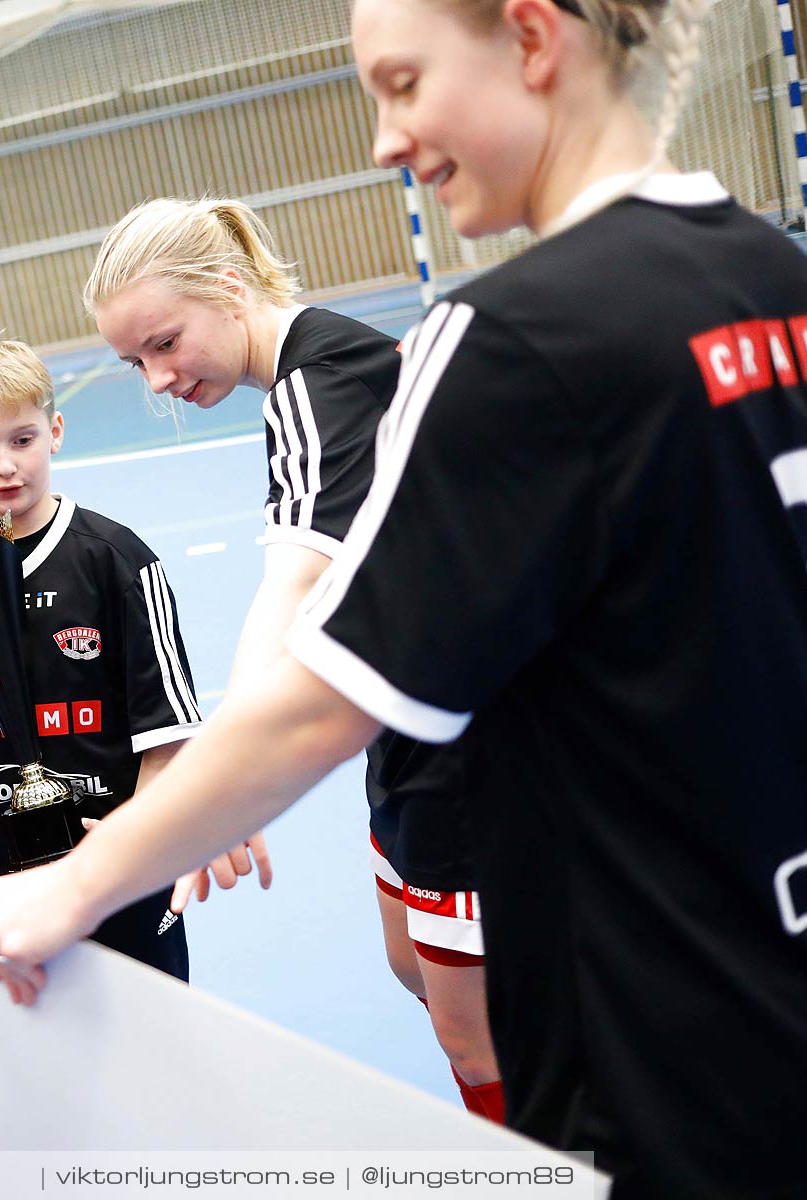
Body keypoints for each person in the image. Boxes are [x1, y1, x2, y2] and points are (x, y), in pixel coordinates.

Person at [0, 0, 807, 1195]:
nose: (384, 140)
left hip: (658, 1053)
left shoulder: (512, 336)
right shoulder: (802, 298)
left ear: (530, 37)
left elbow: (316, 701)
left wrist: (78, 884)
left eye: (403, 84)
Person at [84, 196, 502, 1119]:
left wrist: (224, 784)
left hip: (471, 746)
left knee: (476, 1033)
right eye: (133, 362)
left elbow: (293, 589)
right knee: (414, 968)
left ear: (228, 290)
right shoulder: (318, 376)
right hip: (402, 727)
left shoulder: (321, 383)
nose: (155, 378)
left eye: (163, 342)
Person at [0, 339, 235, 985]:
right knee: (33, 1046)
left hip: (115, 858)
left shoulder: (116, 561)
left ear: (56, 431)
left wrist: (134, 840)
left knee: (148, 1038)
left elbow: (170, 737)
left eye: (23, 439)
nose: (5, 466)